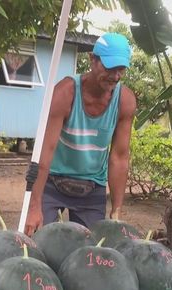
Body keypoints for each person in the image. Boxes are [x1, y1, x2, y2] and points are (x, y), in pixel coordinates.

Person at [24, 32, 136, 236]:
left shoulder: (125, 101)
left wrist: (116, 210)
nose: (115, 76)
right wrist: (34, 206)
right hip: (53, 182)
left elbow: (119, 157)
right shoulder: (65, 93)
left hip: (92, 187)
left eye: (120, 69)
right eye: (109, 67)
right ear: (92, 60)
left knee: (90, 253)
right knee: (38, 242)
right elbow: (45, 151)